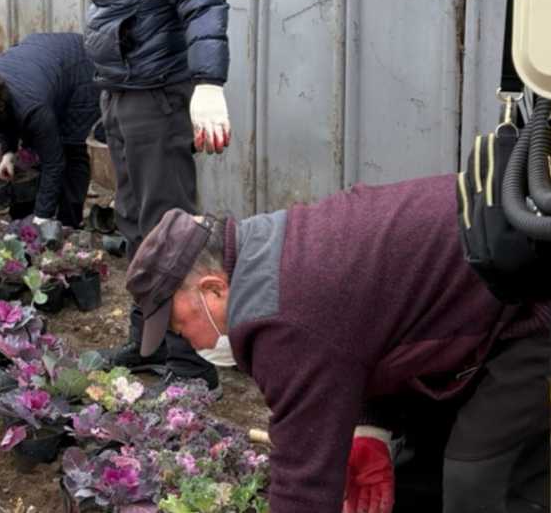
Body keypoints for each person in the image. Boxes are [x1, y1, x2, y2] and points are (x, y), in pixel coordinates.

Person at [125, 175, 550, 513]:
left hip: (532, 303)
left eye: (182, 328)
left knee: (479, 483)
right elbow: (367, 321)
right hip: (479, 303)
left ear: (214, 290)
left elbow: (304, 488)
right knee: (418, 473)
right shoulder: (267, 248)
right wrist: (372, 426)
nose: (189, 343)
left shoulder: (281, 318)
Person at [39, 0, 232, 386]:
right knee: (137, 224)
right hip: (125, 89)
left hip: (158, 93)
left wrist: (207, 82)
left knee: (171, 228)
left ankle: (192, 362)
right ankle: (149, 342)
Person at [0, 32, 98, 228]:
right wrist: (8, 152)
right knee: (39, 145)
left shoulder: (32, 109)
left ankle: (69, 220)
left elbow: (54, 163)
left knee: (70, 149)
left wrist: (42, 218)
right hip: (44, 61)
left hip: (80, 67)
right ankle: (42, 208)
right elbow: (3, 116)